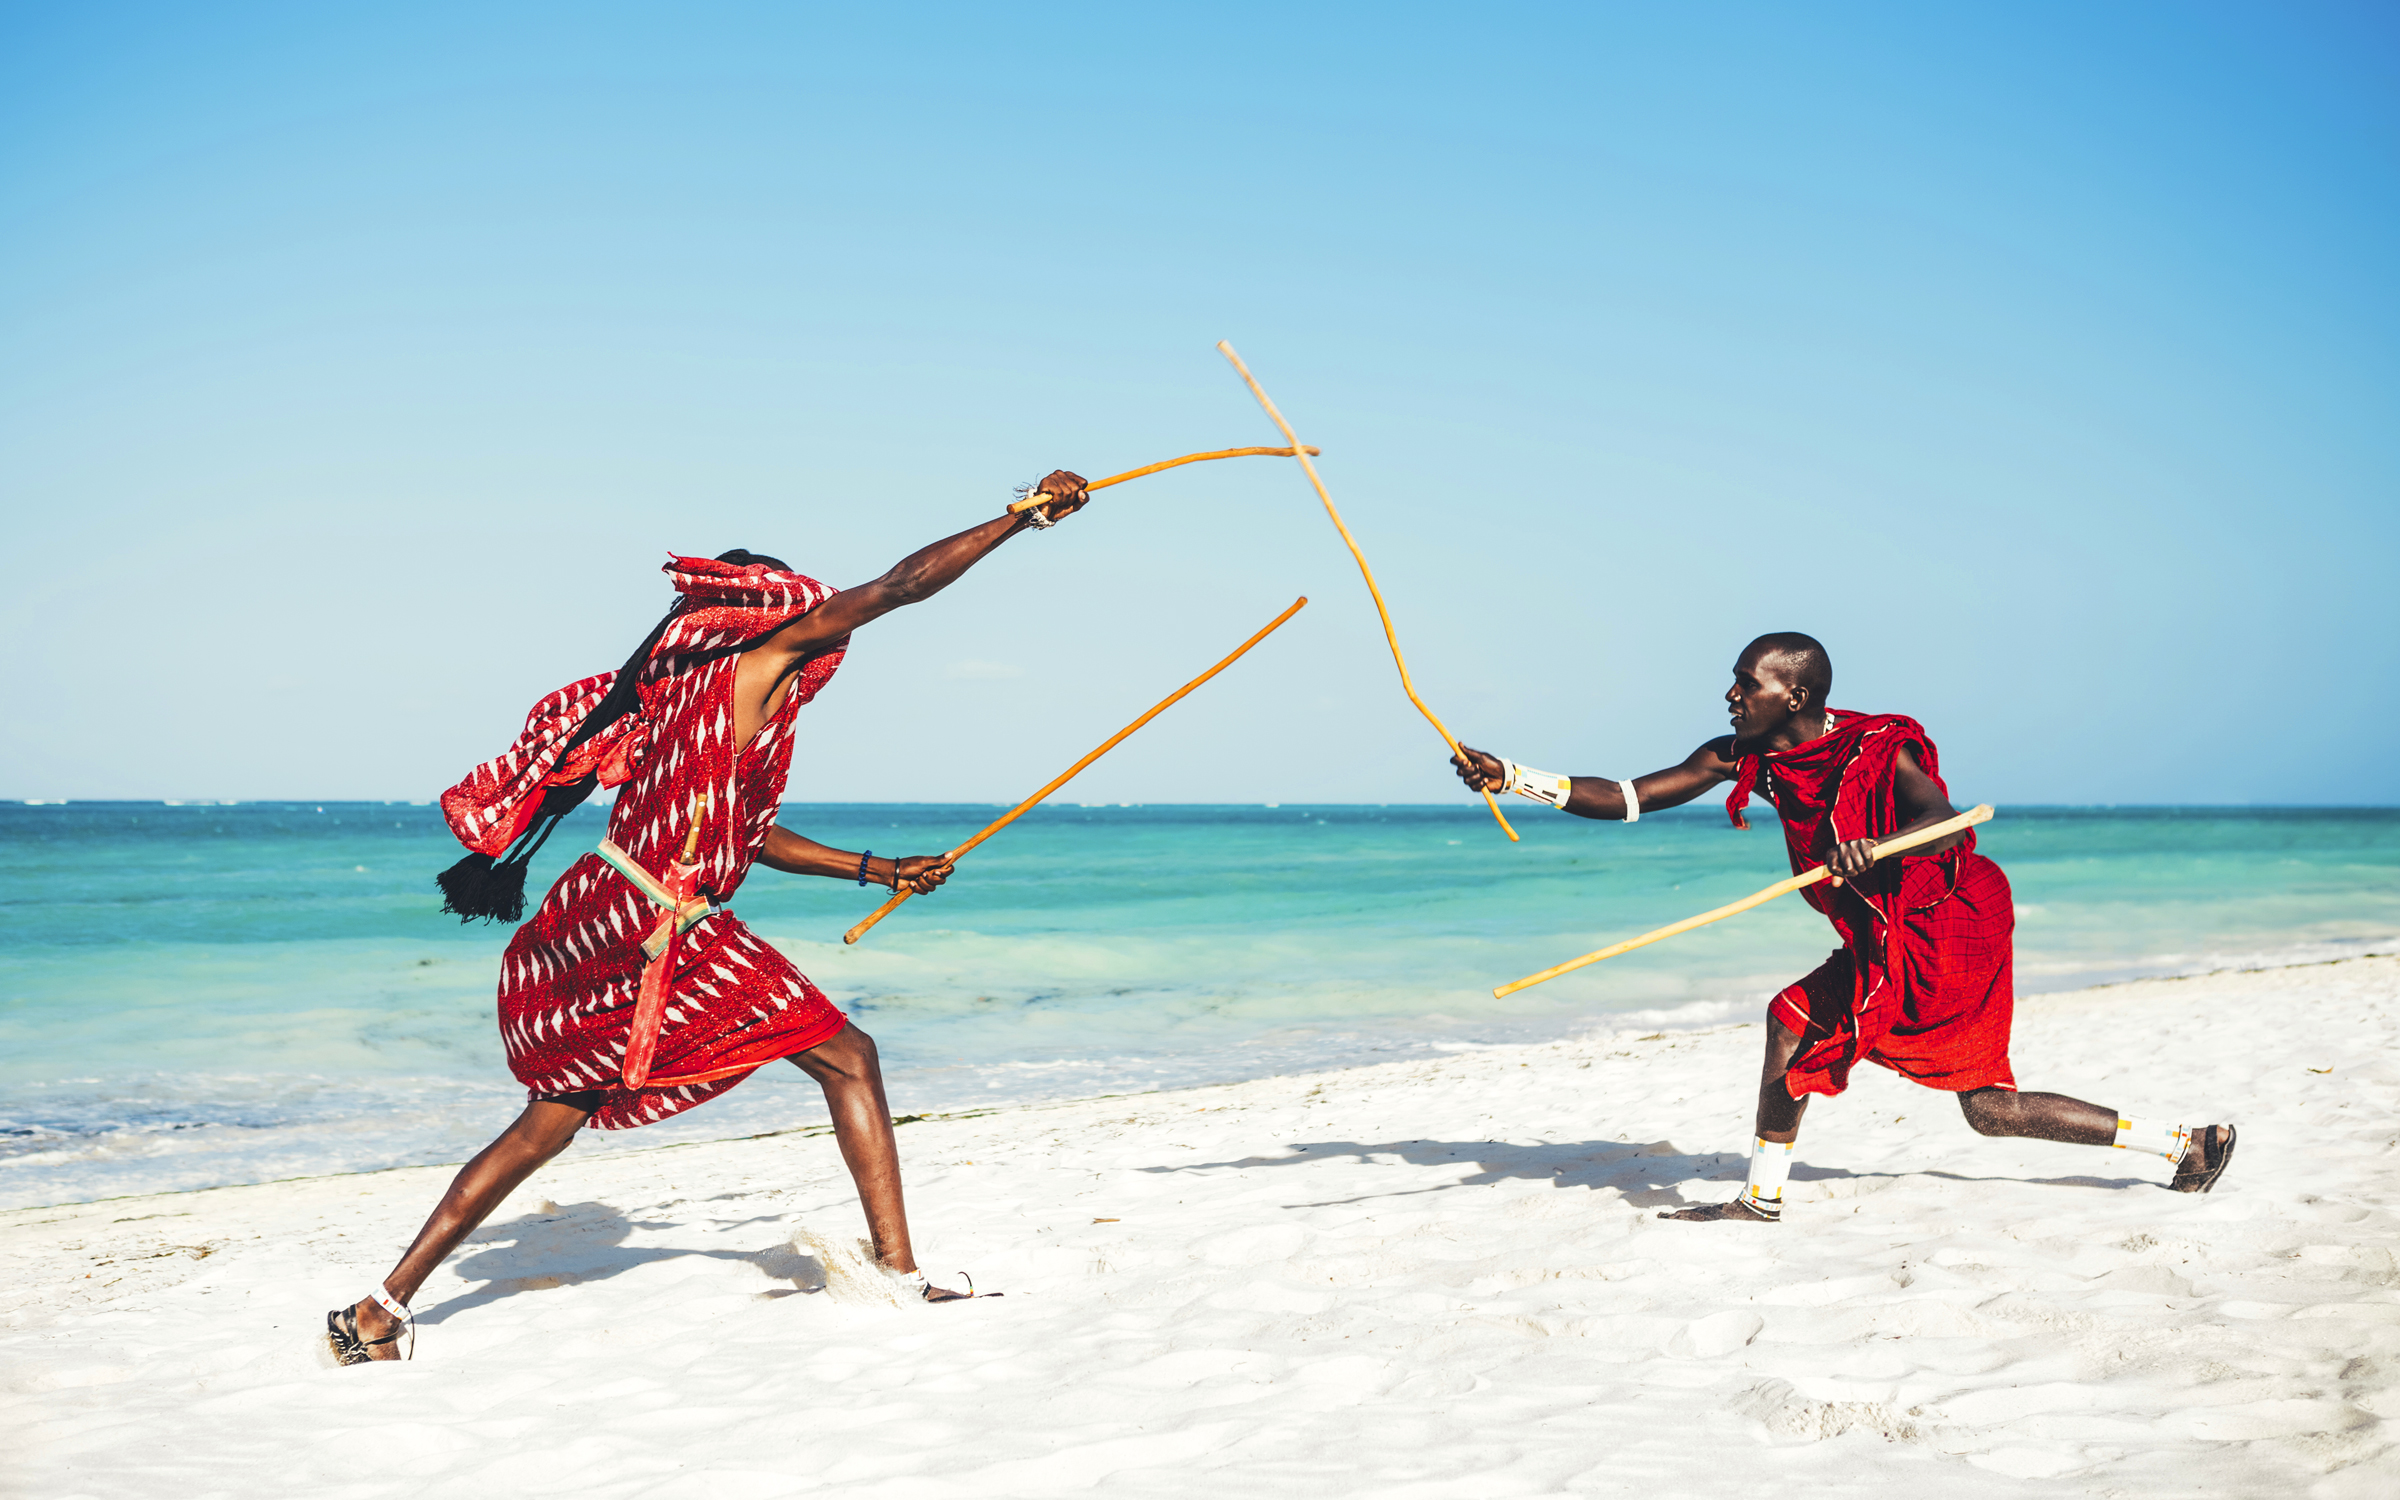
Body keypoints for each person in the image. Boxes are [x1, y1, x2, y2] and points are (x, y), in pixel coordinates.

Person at [326, 470, 1091, 1365]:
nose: (821, 630)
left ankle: (378, 1309)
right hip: (666, 922)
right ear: (764, 615)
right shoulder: (755, 664)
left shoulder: (671, 699)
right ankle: (898, 1273)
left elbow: (747, 835)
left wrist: (877, 869)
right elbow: (899, 587)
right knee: (849, 1059)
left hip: (603, 905)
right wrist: (1020, 518)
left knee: (553, 1115)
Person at [1452, 631, 2235, 1225]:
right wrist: (1514, 778)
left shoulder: (1875, 749)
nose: (1730, 697)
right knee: (1874, 1058)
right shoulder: (1741, 757)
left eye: (1744, 685)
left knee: (1960, 1095)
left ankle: (2183, 1144)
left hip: (1943, 923)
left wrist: (1879, 844)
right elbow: (1629, 796)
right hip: (1879, 930)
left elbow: (1944, 821)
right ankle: (2183, 1145)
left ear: (1792, 696)